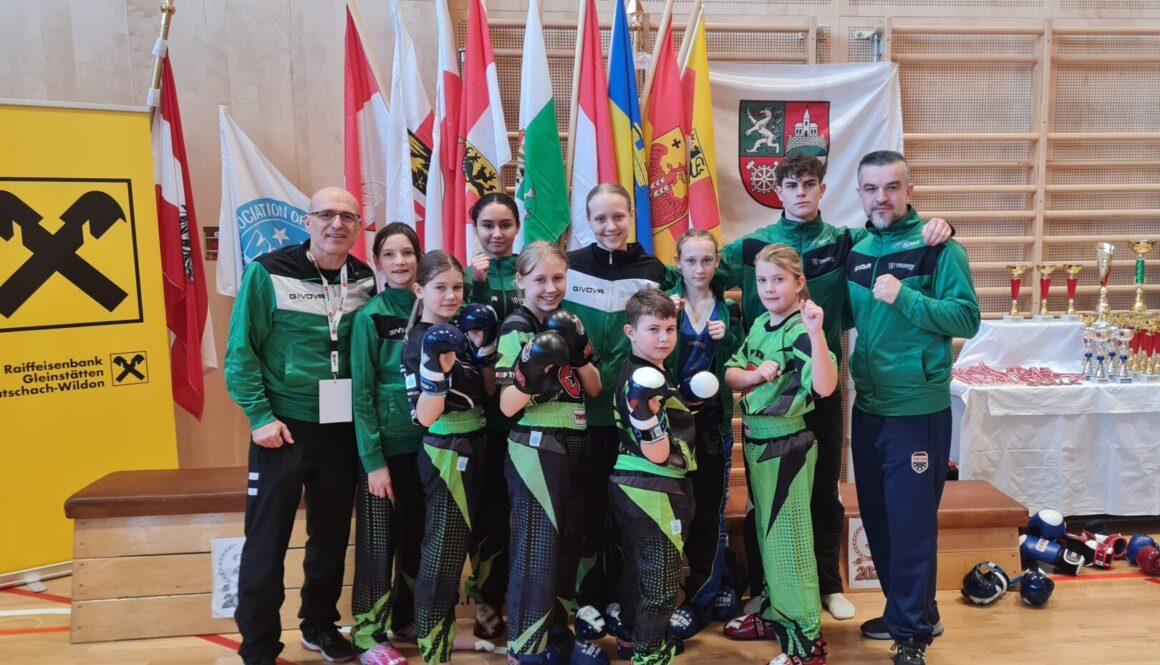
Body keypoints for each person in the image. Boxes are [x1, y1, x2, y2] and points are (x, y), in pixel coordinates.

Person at [715, 154, 952, 622]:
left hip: (821, 390)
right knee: (766, 496)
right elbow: (698, 271)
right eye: (791, 185)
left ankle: (827, 583)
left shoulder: (847, 242)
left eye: (809, 184)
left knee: (824, 489)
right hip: (766, 397)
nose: (801, 193)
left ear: (823, 189)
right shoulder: (752, 246)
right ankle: (766, 587)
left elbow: (895, 236)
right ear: (777, 192)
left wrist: (939, 226)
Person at [226, 187, 377, 665]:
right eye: (326, 214)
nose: (337, 224)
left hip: (339, 427)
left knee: (330, 538)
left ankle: (319, 624)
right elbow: (240, 351)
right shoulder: (267, 271)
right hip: (282, 428)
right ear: (307, 221)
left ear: (358, 227)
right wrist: (259, 416)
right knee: (266, 541)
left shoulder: (365, 279)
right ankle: (258, 645)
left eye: (347, 216)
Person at [845, 150, 980, 665]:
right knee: (879, 521)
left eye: (892, 187)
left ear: (910, 190)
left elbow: (966, 319)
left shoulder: (939, 248)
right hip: (869, 406)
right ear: (860, 193)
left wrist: (905, 297)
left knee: (911, 525)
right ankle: (910, 610)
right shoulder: (857, 250)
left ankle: (912, 633)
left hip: (917, 410)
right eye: (871, 188)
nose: (882, 197)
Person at [564, 183, 680, 635]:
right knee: (588, 511)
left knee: (631, 515)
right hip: (584, 412)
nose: (610, 226)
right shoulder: (570, 267)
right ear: (587, 221)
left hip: (636, 416)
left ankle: (625, 599)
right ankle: (588, 599)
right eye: (600, 218)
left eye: (618, 216)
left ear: (632, 217)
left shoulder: (654, 270)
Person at [722, 244, 838, 665]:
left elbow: (825, 386)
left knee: (789, 546)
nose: (769, 287)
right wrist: (754, 376)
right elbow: (732, 374)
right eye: (762, 280)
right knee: (767, 539)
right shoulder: (759, 324)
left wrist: (818, 333)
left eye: (779, 279)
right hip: (756, 443)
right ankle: (775, 615)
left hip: (786, 447)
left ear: (799, 282)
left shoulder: (801, 328)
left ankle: (806, 643)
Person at [495, 241, 606, 665]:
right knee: (536, 550)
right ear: (521, 281)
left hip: (575, 438)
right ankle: (525, 649)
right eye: (539, 279)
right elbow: (506, 406)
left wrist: (577, 352)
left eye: (558, 278)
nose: (550, 287)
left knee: (567, 547)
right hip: (536, 444)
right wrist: (531, 368)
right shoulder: (516, 328)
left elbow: (594, 389)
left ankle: (556, 635)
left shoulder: (569, 320)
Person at [400, 250, 498, 665]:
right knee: (443, 550)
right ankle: (434, 649)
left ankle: (444, 636)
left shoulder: (459, 331)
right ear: (419, 290)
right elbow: (423, 417)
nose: (451, 295)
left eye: (457, 287)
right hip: (446, 449)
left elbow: (488, 391)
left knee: (464, 547)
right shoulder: (420, 340)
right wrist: (435, 373)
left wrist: (486, 346)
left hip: (476, 444)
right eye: (440, 288)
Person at [610, 288, 700, 665]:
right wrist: (650, 425)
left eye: (669, 329)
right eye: (653, 329)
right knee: (661, 583)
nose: (663, 338)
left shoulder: (650, 372)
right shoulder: (642, 379)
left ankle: (633, 639)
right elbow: (658, 453)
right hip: (651, 487)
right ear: (630, 332)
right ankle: (649, 655)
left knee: (640, 572)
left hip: (640, 486)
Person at [350, 223, 426, 665]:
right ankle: (367, 634)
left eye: (408, 253)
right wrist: (373, 461)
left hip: (429, 448)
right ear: (377, 262)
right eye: (390, 255)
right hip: (384, 451)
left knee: (418, 535)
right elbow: (361, 394)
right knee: (379, 543)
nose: (400, 262)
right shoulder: (370, 317)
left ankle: (406, 619)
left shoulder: (433, 307)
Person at [664, 229, 744, 639]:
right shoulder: (666, 303)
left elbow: (741, 359)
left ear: (717, 263)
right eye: (691, 261)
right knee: (676, 510)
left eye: (707, 260)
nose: (699, 268)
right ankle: (671, 593)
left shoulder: (728, 309)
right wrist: (668, 322)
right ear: (677, 263)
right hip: (670, 423)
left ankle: (703, 596)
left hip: (712, 423)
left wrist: (726, 339)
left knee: (711, 512)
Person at [464, 193, 523, 640]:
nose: (497, 233)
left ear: (518, 227)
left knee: (530, 515)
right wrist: (476, 286)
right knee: (488, 517)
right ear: (475, 229)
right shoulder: (464, 277)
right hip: (481, 420)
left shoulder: (530, 270)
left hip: (527, 414)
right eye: (487, 225)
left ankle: (531, 601)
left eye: (505, 224)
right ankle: (486, 600)